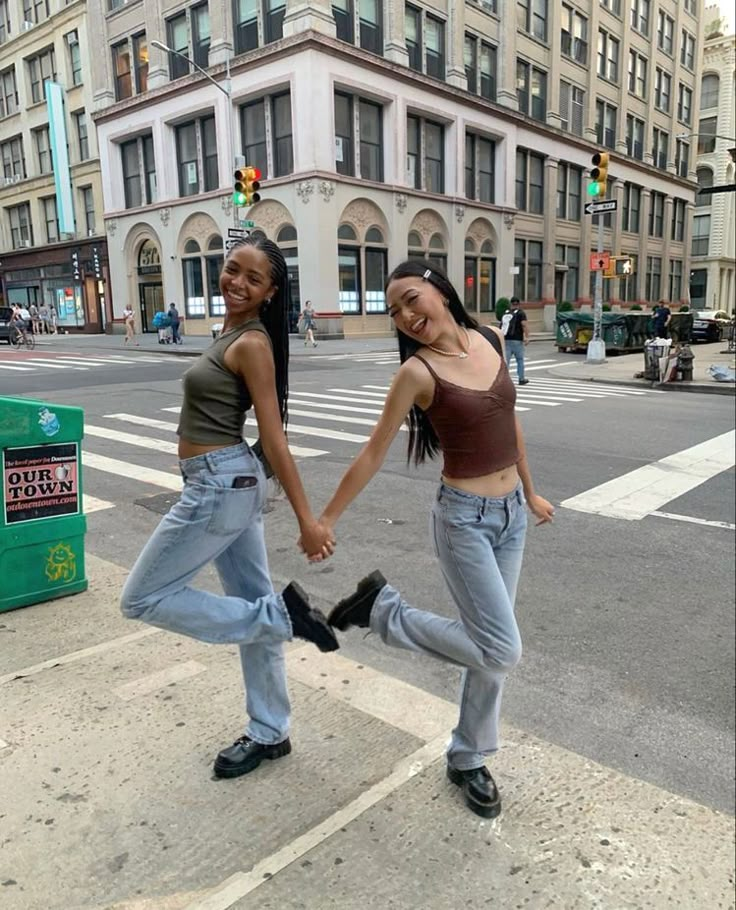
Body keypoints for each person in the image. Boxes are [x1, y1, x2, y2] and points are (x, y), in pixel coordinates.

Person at [313, 261, 554, 820]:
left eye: (410, 300)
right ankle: (382, 612)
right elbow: (373, 452)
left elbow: (510, 424)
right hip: (463, 519)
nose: (404, 316)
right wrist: (325, 519)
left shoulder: (490, 337)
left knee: (488, 649)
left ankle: (468, 756)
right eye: (393, 310)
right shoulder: (417, 375)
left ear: (440, 291)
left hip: (511, 514)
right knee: (501, 648)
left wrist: (531, 492)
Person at [120, 236, 339, 780]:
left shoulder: (252, 343)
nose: (236, 282)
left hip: (219, 486)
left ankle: (279, 618)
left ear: (269, 292)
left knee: (143, 598)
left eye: (252, 278)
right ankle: (271, 731)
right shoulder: (232, 333)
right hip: (227, 481)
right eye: (230, 269)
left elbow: (276, 438)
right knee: (251, 603)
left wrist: (307, 520)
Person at [502, 297, 529, 385]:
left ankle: (504, 380)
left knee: (506, 361)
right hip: (517, 340)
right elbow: (524, 325)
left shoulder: (506, 313)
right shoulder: (521, 313)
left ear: (511, 304)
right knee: (520, 360)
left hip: (506, 339)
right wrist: (526, 337)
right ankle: (521, 379)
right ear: (518, 304)